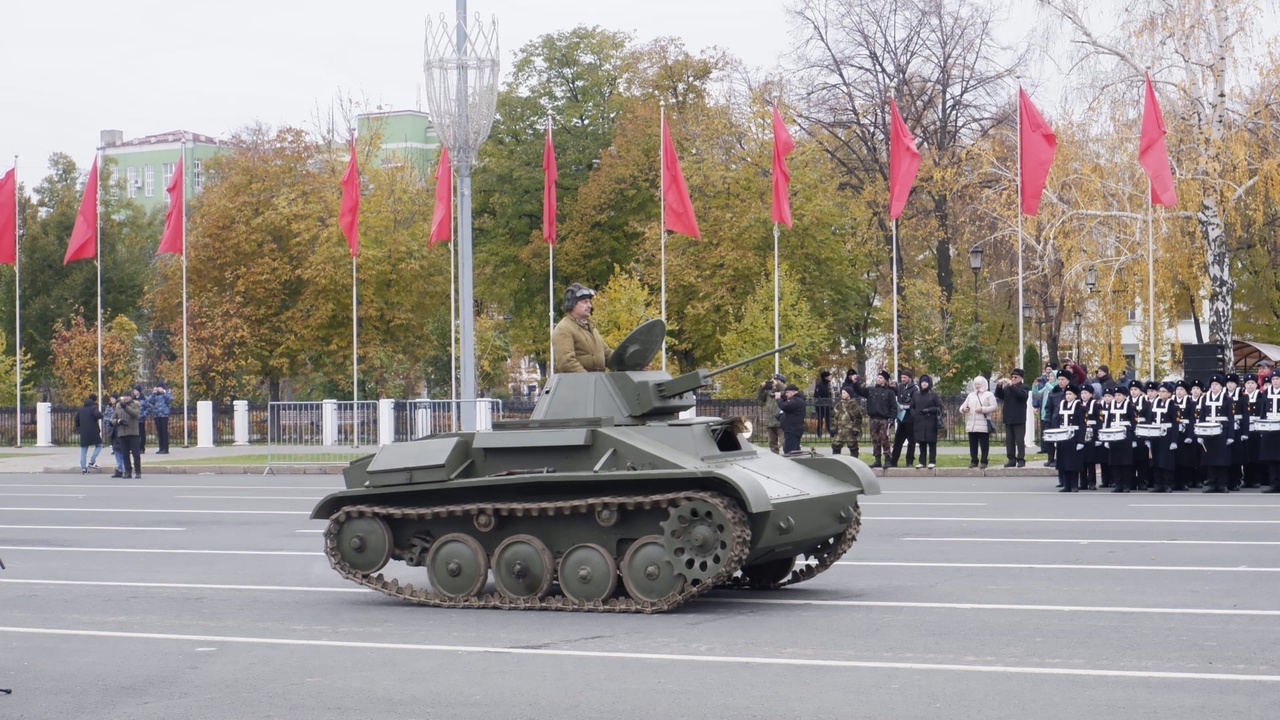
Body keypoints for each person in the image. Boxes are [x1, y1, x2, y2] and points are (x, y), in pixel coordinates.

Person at [551, 282, 611, 373]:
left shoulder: (591, 328)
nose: (589, 305)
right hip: (576, 385)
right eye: (585, 302)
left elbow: (607, 354)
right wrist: (588, 379)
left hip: (597, 381)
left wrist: (630, 363)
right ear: (572, 304)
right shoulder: (564, 329)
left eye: (590, 302)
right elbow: (567, 362)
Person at [1198, 374, 1235, 493]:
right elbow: (1202, 417)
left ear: (1221, 386)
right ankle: (1212, 483)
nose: (1213, 387)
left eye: (1216, 384)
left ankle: (1222, 484)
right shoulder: (1205, 398)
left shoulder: (1227, 399)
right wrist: (1200, 434)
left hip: (1222, 431)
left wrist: (1230, 435)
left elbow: (1231, 418)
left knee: (1222, 459)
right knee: (1210, 459)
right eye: (1212, 384)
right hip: (1208, 432)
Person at [852, 370, 897, 468]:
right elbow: (860, 391)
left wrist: (892, 419)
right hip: (873, 419)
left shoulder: (889, 392)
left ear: (885, 380)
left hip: (884, 419)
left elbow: (893, 407)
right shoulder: (870, 390)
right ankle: (877, 459)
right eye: (878, 377)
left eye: (881, 378)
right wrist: (855, 382)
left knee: (884, 439)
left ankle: (888, 458)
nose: (878, 379)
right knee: (875, 440)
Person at [960, 375, 997, 469]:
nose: (977, 386)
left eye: (979, 384)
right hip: (971, 424)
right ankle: (974, 461)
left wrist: (983, 409)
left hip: (983, 423)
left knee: (984, 444)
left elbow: (994, 407)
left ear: (983, 384)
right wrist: (964, 409)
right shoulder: (971, 395)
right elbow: (962, 406)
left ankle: (984, 461)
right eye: (975, 384)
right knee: (973, 444)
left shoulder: (988, 394)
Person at [995, 368, 1029, 468]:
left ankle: (1021, 459)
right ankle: (1011, 459)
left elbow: (1022, 396)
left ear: (1021, 378)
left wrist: (1012, 386)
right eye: (1012, 377)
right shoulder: (1007, 388)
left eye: (1016, 377)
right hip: (1008, 418)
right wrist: (999, 386)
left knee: (1019, 440)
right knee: (1009, 441)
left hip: (1019, 418)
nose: (1013, 379)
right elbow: (999, 395)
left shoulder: (1024, 387)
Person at [910, 374, 943, 469]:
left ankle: (932, 461)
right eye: (922, 382)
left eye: (926, 382)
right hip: (919, 421)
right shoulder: (916, 394)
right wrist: (914, 414)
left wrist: (929, 410)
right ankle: (922, 462)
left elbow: (939, 407)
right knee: (922, 442)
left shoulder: (933, 395)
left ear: (929, 383)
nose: (924, 384)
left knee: (931, 442)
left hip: (930, 421)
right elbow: (912, 406)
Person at [890, 371, 919, 468]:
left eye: (905, 378)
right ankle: (893, 461)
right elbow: (893, 392)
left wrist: (905, 406)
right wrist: (890, 386)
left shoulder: (915, 389)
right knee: (898, 442)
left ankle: (909, 461)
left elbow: (915, 403)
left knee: (911, 442)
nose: (902, 379)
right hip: (901, 419)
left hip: (911, 419)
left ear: (910, 378)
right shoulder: (900, 387)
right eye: (902, 377)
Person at [114, 389, 142, 479]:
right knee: (125, 454)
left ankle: (138, 471)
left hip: (133, 433)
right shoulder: (118, 406)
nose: (125, 397)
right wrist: (118, 421)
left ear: (130, 397)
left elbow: (135, 414)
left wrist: (125, 406)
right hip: (122, 433)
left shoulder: (135, 404)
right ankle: (127, 472)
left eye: (127, 396)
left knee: (135, 454)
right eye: (124, 396)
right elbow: (112, 418)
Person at [757, 374, 787, 454]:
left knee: (784, 441)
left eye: (776, 381)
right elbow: (760, 398)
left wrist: (777, 384)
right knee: (772, 442)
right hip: (770, 421)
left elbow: (785, 389)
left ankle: (788, 455)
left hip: (780, 421)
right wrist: (762, 388)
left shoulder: (784, 391)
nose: (774, 383)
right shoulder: (769, 392)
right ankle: (775, 456)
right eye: (773, 381)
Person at [74, 394, 103, 474]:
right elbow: (99, 415)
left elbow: (76, 420)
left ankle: (84, 468)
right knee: (99, 445)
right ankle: (92, 461)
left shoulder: (81, 409)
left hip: (84, 432)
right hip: (93, 431)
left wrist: (79, 428)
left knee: (84, 449)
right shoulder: (93, 408)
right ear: (94, 400)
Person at [830, 388, 864, 456]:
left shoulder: (853, 405)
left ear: (849, 394)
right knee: (836, 445)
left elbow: (858, 418)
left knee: (853, 445)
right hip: (839, 430)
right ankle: (836, 460)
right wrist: (834, 426)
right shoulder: (838, 405)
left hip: (850, 430)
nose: (842, 394)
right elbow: (834, 417)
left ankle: (854, 461)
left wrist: (856, 429)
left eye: (844, 393)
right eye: (842, 393)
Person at [777, 383, 807, 454]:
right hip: (791, 430)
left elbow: (784, 406)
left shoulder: (797, 400)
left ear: (793, 392)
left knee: (790, 452)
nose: (786, 394)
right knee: (794, 451)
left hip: (792, 430)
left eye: (787, 392)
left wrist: (778, 399)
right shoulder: (795, 400)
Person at [150, 382, 174, 454]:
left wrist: (163, 392)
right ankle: (161, 448)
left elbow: (170, 400)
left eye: (160, 387)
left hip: (164, 414)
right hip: (157, 415)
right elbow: (150, 401)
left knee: (164, 431)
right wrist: (153, 393)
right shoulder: (155, 394)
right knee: (159, 432)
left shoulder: (166, 393)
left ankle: (165, 448)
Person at [812, 370, 834, 438]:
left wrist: (830, 403)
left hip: (827, 405)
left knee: (828, 419)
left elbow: (830, 395)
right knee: (820, 419)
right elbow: (816, 395)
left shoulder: (828, 384)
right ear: (825, 377)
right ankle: (819, 433)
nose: (829, 377)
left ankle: (830, 432)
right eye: (828, 376)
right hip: (820, 405)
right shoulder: (820, 384)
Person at [134, 384, 149, 453]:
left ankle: (142, 448)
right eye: (134, 390)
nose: (135, 392)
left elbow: (148, 408)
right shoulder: (132, 399)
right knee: (135, 434)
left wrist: (143, 415)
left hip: (141, 419)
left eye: (136, 390)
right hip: (134, 420)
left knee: (141, 434)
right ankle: (135, 448)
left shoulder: (144, 399)